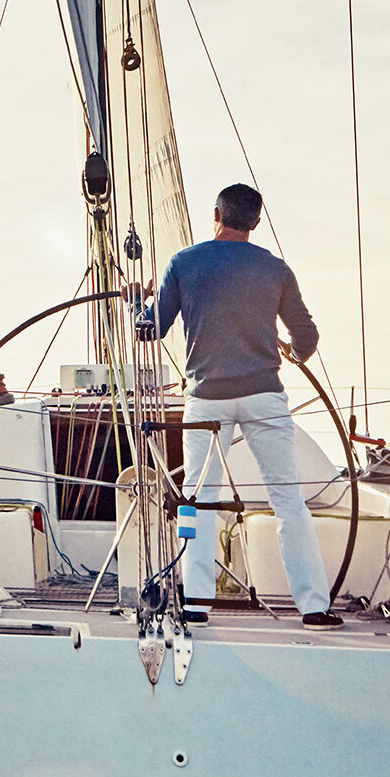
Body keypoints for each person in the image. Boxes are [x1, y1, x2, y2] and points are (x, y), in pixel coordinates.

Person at [129, 183, 342, 630]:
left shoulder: (183, 264)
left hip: (206, 397)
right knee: (287, 500)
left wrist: (136, 302)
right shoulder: (276, 269)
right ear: (256, 222)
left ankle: (197, 605)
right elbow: (307, 338)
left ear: (216, 214)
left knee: (201, 500)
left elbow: (149, 330)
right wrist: (292, 352)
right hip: (264, 395)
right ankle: (313, 608)